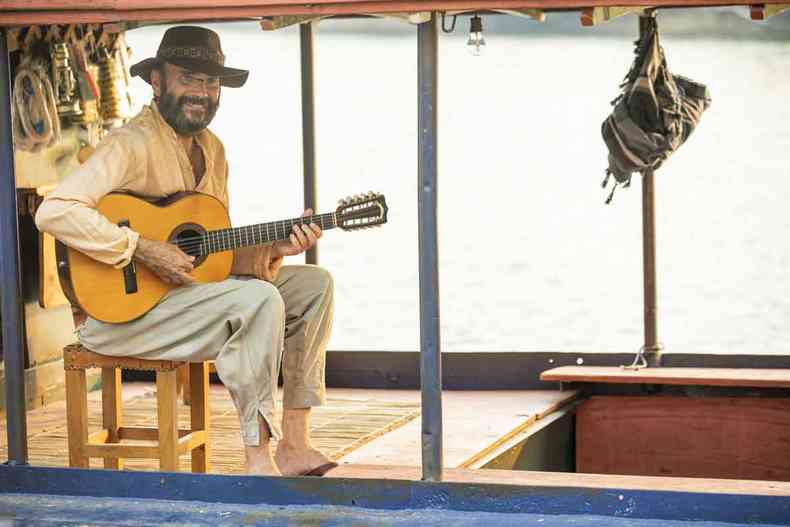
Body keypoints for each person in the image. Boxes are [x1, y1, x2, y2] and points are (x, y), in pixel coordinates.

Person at [34, 26, 336, 477]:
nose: (202, 92)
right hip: (120, 318)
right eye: (188, 78)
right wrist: (140, 249)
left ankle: (294, 443)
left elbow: (210, 255)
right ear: (157, 82)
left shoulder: (213, 151)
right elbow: (54, 211)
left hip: (184, 302)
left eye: (211, 82)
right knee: (258, 301)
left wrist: (273, 248)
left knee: (314, 285)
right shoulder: (130, 144)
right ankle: (258, 457)